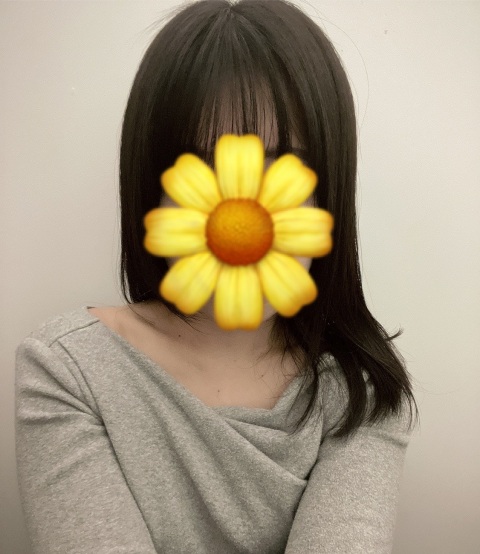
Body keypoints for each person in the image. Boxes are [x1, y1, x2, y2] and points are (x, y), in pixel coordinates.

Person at [15, 1, 418, 552]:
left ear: (329, 189)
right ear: (151, 186)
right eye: (203, 168)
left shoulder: (360, 386)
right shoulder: (69, 369)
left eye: (283, 167)